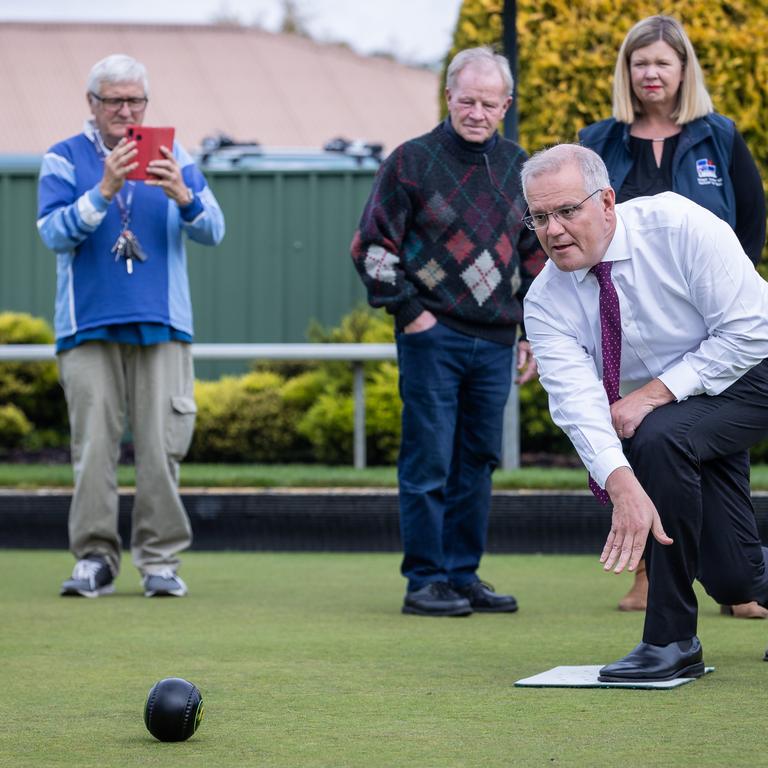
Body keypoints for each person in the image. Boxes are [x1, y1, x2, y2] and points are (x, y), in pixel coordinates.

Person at [521, 143, 768, 681]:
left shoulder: (677, 227)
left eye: (567, 211)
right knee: (733, 577)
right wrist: (621, 484)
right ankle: (739, 587)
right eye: (539, 217)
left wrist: (654, 393)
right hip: (686, 409)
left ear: (607, 202)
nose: (554, 230)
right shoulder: (544, 300)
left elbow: (753, 328)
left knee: (656, 435)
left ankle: (671, 641)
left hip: (755, 368)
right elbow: (579, 404)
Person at [579, 14, 767, 617]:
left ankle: (737, 575)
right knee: (645, 444)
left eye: (662, 61)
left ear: (683, 69)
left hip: (715, 338)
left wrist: (728, 307)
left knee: (711, 454)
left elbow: (750, 226)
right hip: (634, 339)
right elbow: (577, 237)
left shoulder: (719, 136)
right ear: (625, 72)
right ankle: (651, 575)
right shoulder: (598, 142)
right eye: (639, 62)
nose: (650, 73)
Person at [350, 46, 545, 617]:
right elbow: (371, 248)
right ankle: (424, 580)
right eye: (468, 100)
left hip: (497, 341)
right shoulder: (410, 162)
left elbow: (536, 258)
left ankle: (462, 575)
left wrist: (533, 329)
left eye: (489, 103)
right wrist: (412, 313)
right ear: (449, 96)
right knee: (428, 459)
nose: (477, 112)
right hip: (430, 334)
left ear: (506, 105)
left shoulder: (520, 168)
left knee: (478, 460)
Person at [37, 54, 225, 598]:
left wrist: (184, 198)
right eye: (114, 100)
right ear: (91, 105)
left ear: (146, 103)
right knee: (93, 449)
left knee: (161, 447)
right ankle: (94, 558)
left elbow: (215, 229)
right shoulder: (63, 159)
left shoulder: (174, 154)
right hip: (87, 326)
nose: (125, 110)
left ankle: (160, 562)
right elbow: (52, 233)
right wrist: (103, 191)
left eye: (135, 100)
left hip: (163, 323)